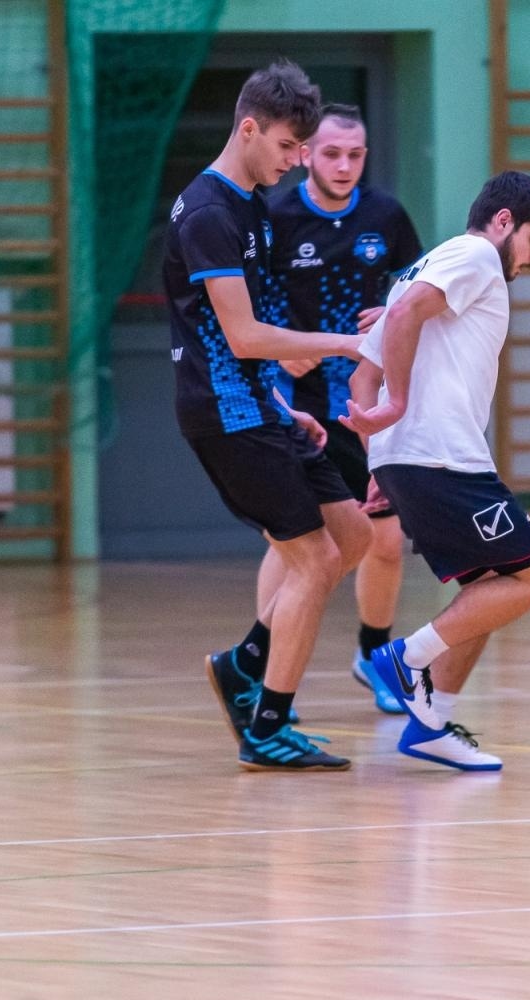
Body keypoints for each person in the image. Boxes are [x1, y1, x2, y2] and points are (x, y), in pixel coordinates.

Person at [165, 60, 370, 771]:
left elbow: (234, 341)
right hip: (225, 415)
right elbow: (246, 336)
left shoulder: (251, 202)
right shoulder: (210, 214)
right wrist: (344, 342)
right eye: (288, 146)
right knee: (314, 560)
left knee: (353, 535)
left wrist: (283, 406)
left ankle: (243, 664)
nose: (295, 161)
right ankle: (268, 727)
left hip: (257, 405)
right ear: (248, 129)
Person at [340, 171, 530, 772]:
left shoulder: (423, 266)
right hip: (442, 455)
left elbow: (361, 375)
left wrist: (378, 454)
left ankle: (431, 724)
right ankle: (404, 657)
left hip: (410, 458)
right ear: (503, 221)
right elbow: (406, 319)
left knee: (490, 585)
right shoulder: (476, 256)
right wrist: (399, 405)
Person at [264, 102, 424, 714]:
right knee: (293, 544)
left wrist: (394, 312)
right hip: (297, 409)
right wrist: (279, 351)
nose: (343, 165)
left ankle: (375, 656)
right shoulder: (277, 218)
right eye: (331, 153)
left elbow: (416, 295)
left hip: (365, 407)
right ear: (306, 154)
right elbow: (242, 307)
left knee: (386, 541)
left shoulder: (386, 216)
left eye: (355, 155)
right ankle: (261, 666)